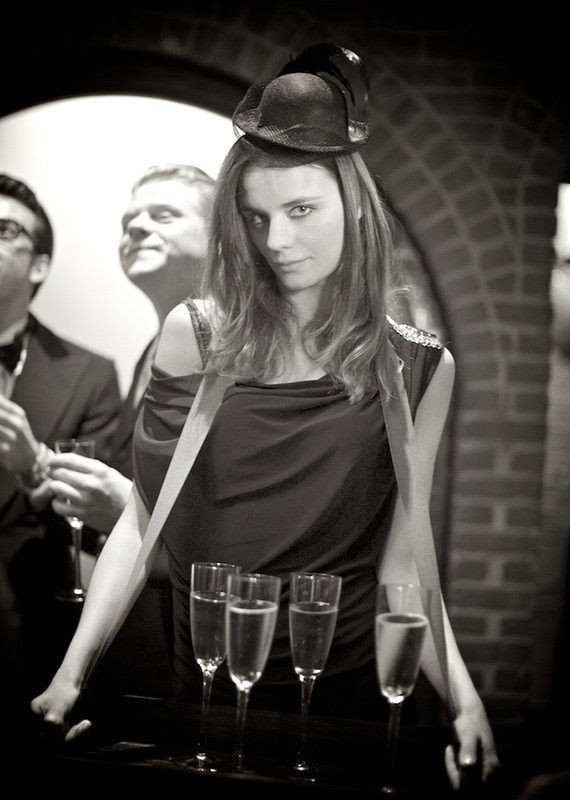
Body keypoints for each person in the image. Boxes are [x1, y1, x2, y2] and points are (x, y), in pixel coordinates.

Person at [31, 45, 500, 790]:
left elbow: (404, 566)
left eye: (301, 210)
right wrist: (70, 675)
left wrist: (466, 703)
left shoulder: (418, 367)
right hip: (208, 677)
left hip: (341, 692)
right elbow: (143, 522)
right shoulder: (197, 336)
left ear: (354, 204)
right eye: (257, 217)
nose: (277, 241)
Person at [47, 164, 216, 694]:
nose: (136, 227)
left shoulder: (234, 350)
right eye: (128, 221)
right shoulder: (152, 350)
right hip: (137, 635)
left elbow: (240, 523)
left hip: (198, 643)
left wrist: (123, 506)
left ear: (218, 234)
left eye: (162, 215)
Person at [0, 173, 121, 712]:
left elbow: (96, 529)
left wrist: (34, 467)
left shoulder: (90, 374)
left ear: (39, 265)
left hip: (25, 629)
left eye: (5, 230)